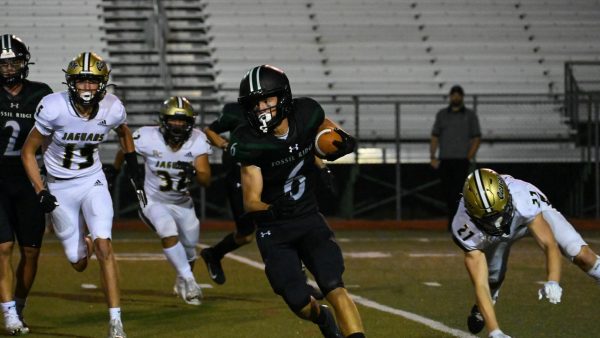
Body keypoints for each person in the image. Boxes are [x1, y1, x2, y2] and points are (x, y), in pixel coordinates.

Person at [230, 65, 365, 338]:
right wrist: (272, 208)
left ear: (283, 97)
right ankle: (323, 319)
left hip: (309, 217)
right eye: (254, 103)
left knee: (333, 284)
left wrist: (342, 143)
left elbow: (326, 130)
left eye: (267, 99)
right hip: (275, 228)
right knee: (298, 302)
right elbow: (251, 201)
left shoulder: (306, 113)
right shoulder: (250, 141)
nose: (261, 108)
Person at [21, 52, 146, 338]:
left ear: (103, 83)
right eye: (82, 81)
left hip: (92, 180)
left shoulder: (112, 107)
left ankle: (116, 322)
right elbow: (28, 152)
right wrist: (41, 190)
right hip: (60, 186)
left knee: (105, 247)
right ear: (71, 82)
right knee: (78, 262)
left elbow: (124, 133)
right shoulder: (54, 107)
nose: (87, 87)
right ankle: (86, 241)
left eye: (93, 81)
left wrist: (133, 167)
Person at [451, 168, 600, 338]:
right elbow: (480, 284)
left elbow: (549, 245)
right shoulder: (464, 225)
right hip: (491, 234)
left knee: (581, 254)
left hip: (529, 217)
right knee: (491, 279)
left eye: (498, 214)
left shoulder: (522, 198)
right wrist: (495, 332)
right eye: (489, 218)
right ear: (472, 214)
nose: (497, 223)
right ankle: (484, 305)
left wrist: (553, 281)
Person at [200, 102, 336, 286]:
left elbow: (299, 145)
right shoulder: (237, 113)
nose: (264, 103)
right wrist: (226, 145)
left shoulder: (284, 114)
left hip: (274, 178)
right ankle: (214, 253)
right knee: (245, 234)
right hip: (245, 178)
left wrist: (322, 166)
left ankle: (299, 282)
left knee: (287, 223)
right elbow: (210, 131)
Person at [112, 96, 211, 305]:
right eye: (174, 120)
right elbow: (125, 150)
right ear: (163, 121)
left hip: (182, 202)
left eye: (183, 121)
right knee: (168, 231)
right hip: (153, 199)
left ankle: (183, 277)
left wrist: (193, 171)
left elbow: (206, 180)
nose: (178, 124)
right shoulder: (147, 136)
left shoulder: (198, 140)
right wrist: (116, 171)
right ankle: (191, 281)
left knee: (190, 248)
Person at [0, 34, 52, 335]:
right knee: (3, 247)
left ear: (25, 62)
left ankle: (18, 305)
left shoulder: (41, 94)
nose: (8, 69)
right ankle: (8, 314)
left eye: (14, 62)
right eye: (3, 64)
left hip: (28, 180)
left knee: (31, 252)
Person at [430, 85, 481, 228]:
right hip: (445, 159)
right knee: (447, 192)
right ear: (450, 97)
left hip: (461, 160)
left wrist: (469, 156)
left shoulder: (470, 115)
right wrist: (433, 156)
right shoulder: (442, 115)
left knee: (460, 192)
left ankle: (460, 223)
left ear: (462, 97)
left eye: (459, 95)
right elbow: (435, 136)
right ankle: (452, 221)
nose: (456, 97)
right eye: (454, 94)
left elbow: (477, 137)